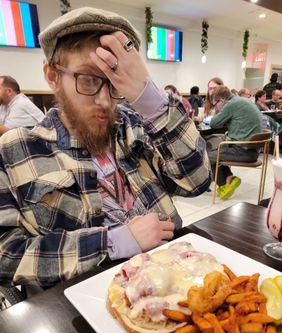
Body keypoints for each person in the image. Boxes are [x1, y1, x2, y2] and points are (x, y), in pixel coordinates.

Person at [0, 7, 211, 288]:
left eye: (114, 84)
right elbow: (6, 254)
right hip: (82, 308)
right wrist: (111, 242)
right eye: (87, 79)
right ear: (52, 75)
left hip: (175, 282)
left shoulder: (136, 126)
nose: (104, 101)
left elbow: (197, 182)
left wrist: (150, 100)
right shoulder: (16, 149)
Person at [208, 86, 262, 200]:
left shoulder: (231, 104)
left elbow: (213, 123)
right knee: (219, 150)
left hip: (244, 152)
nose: (215, 106)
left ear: (221, 100)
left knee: (207, 156)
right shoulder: (241, 101)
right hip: (254, 151)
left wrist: (217, 112)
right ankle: (229, 178)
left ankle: (224, 184)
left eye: (215, 104)